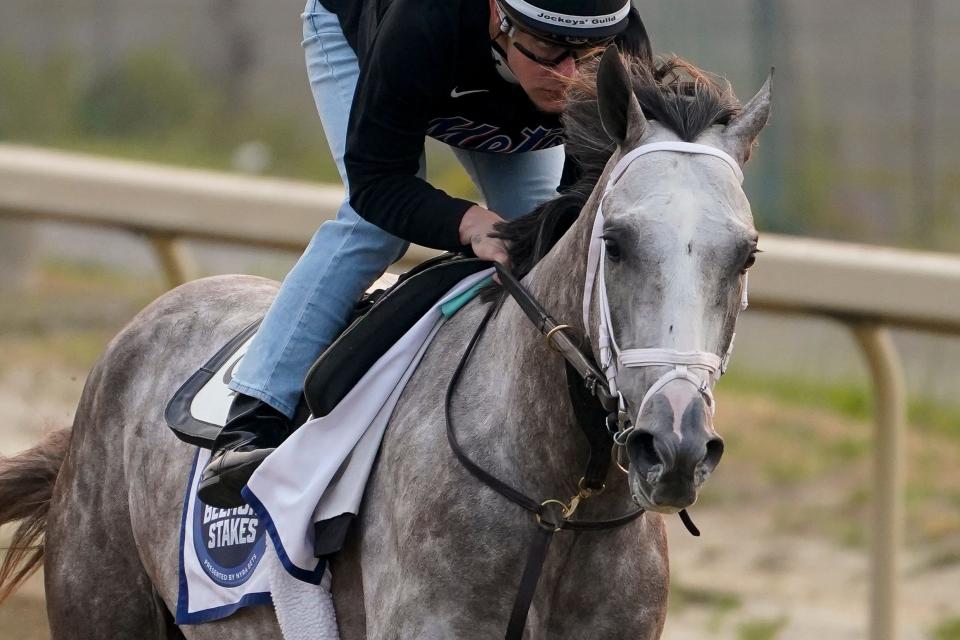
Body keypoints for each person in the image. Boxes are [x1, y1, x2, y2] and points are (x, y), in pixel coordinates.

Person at [197, 0, 651, 508]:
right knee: (372, 232)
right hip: (371, 37)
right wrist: (468, 222)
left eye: (587, 54)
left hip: (484, 76)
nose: (568, 75)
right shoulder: (424, 22)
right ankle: (253, 417)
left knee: (542, 244)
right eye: (549, 48)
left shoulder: (619, 45)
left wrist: (541, 230)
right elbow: (377, 183)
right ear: (497, 14)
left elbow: (587, 199)